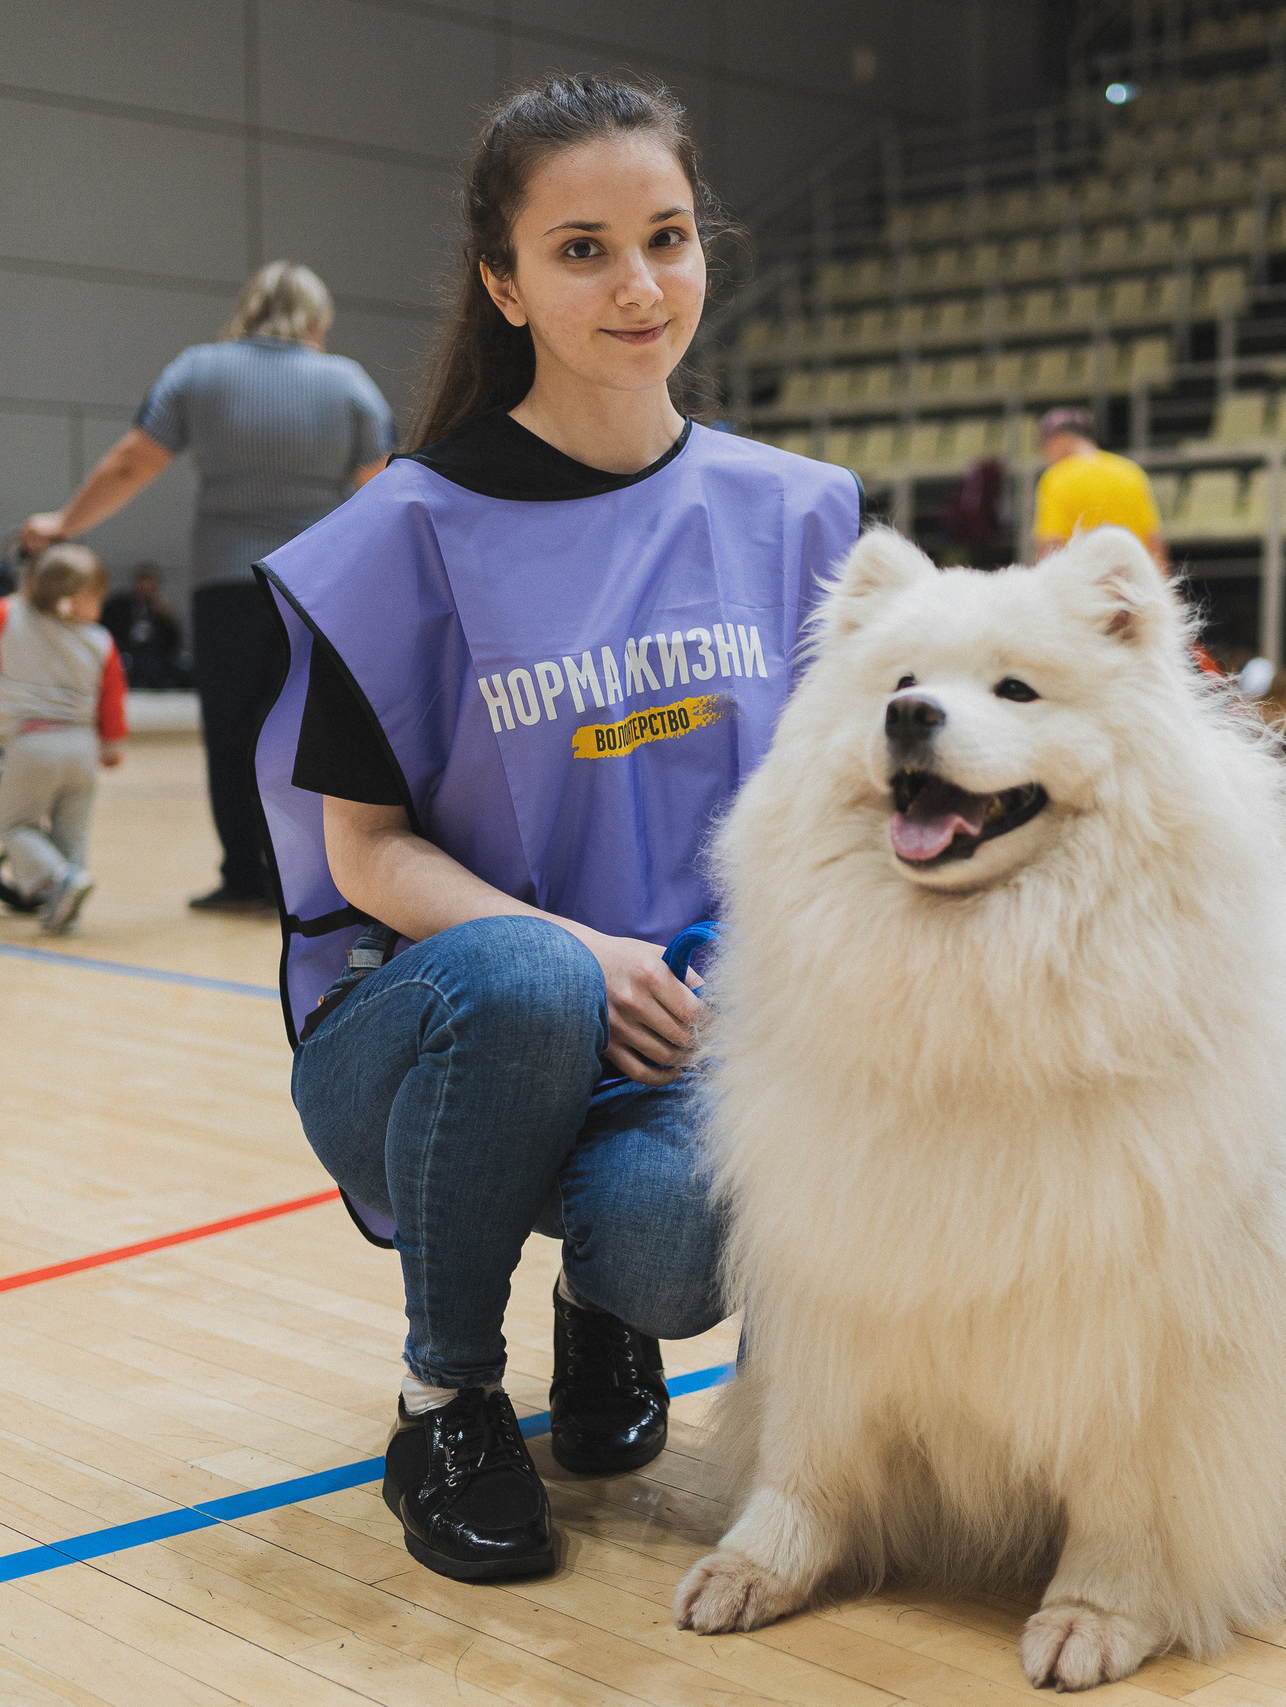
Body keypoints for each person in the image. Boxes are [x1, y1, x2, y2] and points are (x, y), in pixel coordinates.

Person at [249, 74, 861, 1585]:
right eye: (582, 248)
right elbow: (364, 852)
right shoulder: (403, 532)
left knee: (688, 1241)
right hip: (434, 1025)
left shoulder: (802, 519)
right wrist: (589, 951)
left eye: (666, 236)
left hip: (683, 1040)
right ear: (503, 281)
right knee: (535, 977)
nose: (639, 285)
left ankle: (604, 1306)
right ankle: (447, 1397)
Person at [19, 261, 393, 914]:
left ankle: (242, 878)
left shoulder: (198, 371)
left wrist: (63, 523)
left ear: (247, 309)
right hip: (318, 589)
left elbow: (132, 461)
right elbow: (384, 490)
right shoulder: (349, 383)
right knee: (309, 730)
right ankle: (308, 881)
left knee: (230, 734)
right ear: (317, 321)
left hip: (228, 586)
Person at [0, 544, 129, 934]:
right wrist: (113, 745)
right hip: (82, 748)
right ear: (73, 602)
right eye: (97, 596)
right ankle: (67, 910)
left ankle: (59, 881)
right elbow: (112, 695)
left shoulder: (10, 619)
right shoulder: (101, 640)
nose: (102, 604)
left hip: (32, 744)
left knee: (15, 826)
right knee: (72, 831)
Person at [1029, 405, 1169, 567]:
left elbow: (1050, 546)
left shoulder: (1056, 478)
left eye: (1045, 445)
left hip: (1085, 586)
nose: (1045, 455)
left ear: (1060, 439)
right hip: (1131, 583)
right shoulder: (1130, 471)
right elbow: (1154, 540)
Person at [99, 565, 186, 688]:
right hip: (126, 652)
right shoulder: (119, 605)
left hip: (153, 657)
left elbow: (173, 644)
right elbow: (106, 630)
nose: (146, 585)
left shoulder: (161, 611)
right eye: (143, 580)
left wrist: (169, 620)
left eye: (151, 581)